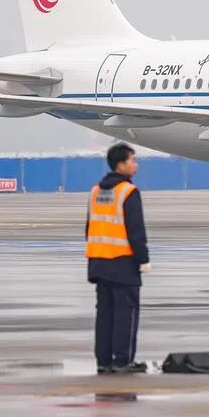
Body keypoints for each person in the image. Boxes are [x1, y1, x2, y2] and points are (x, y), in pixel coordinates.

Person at [86, 143, 150, 374]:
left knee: (105, 314)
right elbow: (136, 230)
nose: (136, 165)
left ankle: (103, 361)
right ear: (120, 165)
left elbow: (89, 227)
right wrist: (143, 259)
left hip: (99, 261)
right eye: (132, 160)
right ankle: (123, 360)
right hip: (123, 262)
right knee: (126, 313)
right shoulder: (128, 192)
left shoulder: (96, 191)